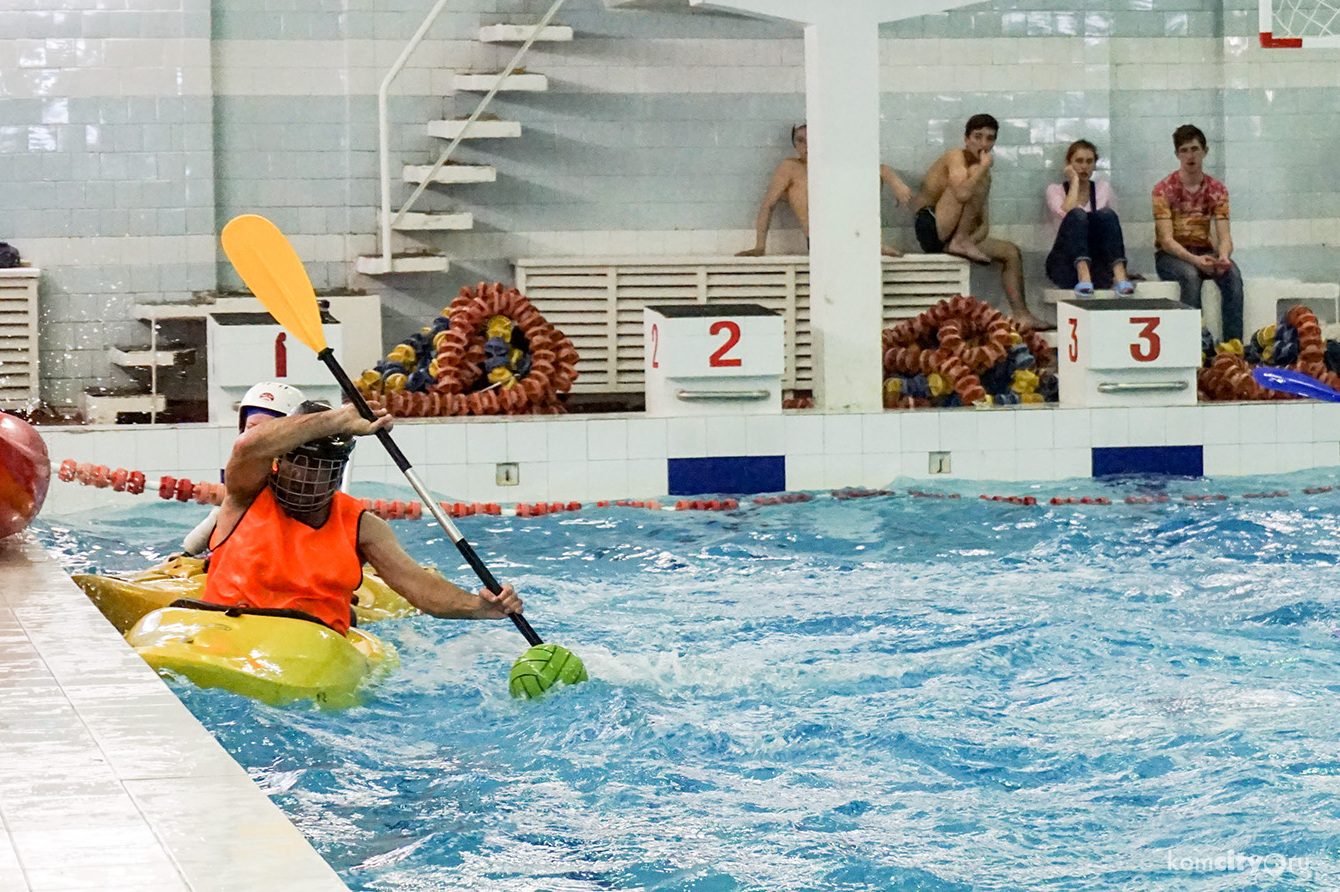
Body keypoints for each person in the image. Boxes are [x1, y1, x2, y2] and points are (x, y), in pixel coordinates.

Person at [199, 400, 521, 633]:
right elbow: (246, 448)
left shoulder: (363, 526)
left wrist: (480, 608)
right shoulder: (246, 495)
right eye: (298, 462)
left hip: (310, 647)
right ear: (278, 460)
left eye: (318, 468)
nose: (303, 476)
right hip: (227, 630)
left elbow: (419, 587)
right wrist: (339, 419)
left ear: (336, 473)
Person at [913, 113, 1047, 332]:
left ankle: (1022, 315)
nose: (984, 144)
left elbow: (984, 225)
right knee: (975, 174)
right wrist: (983, 168)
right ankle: (959, 241)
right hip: (931, 225)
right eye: (978, 137)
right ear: (966, 139)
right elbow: (962, 193)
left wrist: (967, 242)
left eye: (990, 138)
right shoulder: (955, 157)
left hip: (954, 236)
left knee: (1011, 252)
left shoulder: (983, 174)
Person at [736, 123, 915, 257]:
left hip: (850, 230)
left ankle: (867, 241)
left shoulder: (834, 167)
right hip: (821, 240)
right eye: (801, 141)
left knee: (868, 176)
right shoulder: (790, 168)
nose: (807, 145)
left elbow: (880, 170)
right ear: (794, 145)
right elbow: (768, 205)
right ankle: (867, 244)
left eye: (812, 139)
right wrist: (760, 246)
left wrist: (897, 184)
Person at [180, 381, 306, 555]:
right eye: (251, 428)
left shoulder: (306, 481)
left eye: (269, 430)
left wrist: (218, 495)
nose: (256, 438)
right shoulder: (241, 478)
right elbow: (191, 545)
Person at [1152, 123, 1244, 343]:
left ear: (1204, 151)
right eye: (1184, 150)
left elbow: (1224, 235)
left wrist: (1223, 256)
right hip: (1172, 256)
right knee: (1190, 276)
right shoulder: (1163, 190)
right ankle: (1194, 346)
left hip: (1203, 250)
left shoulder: (1217, 189)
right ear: (1177, 154)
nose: (1190, 156)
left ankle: (1234, 348)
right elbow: (1166, 240)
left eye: (1194, 149)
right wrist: (1194, 260)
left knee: (1232, 275)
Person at [1044, 139, 1134, 297]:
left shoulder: (1103, 188)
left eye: (1089, 161)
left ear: (1095, 164)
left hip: (1097, 267)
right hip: (1065, 267)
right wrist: (1074, 181)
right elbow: (1067, 212)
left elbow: (1111, 230)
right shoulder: (1055, 190)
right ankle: (1083, 274)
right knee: (1077, 214)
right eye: (1078, 161)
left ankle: (1120, 275)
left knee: (1107, 214)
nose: (1084, 166)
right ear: (1069, 164)